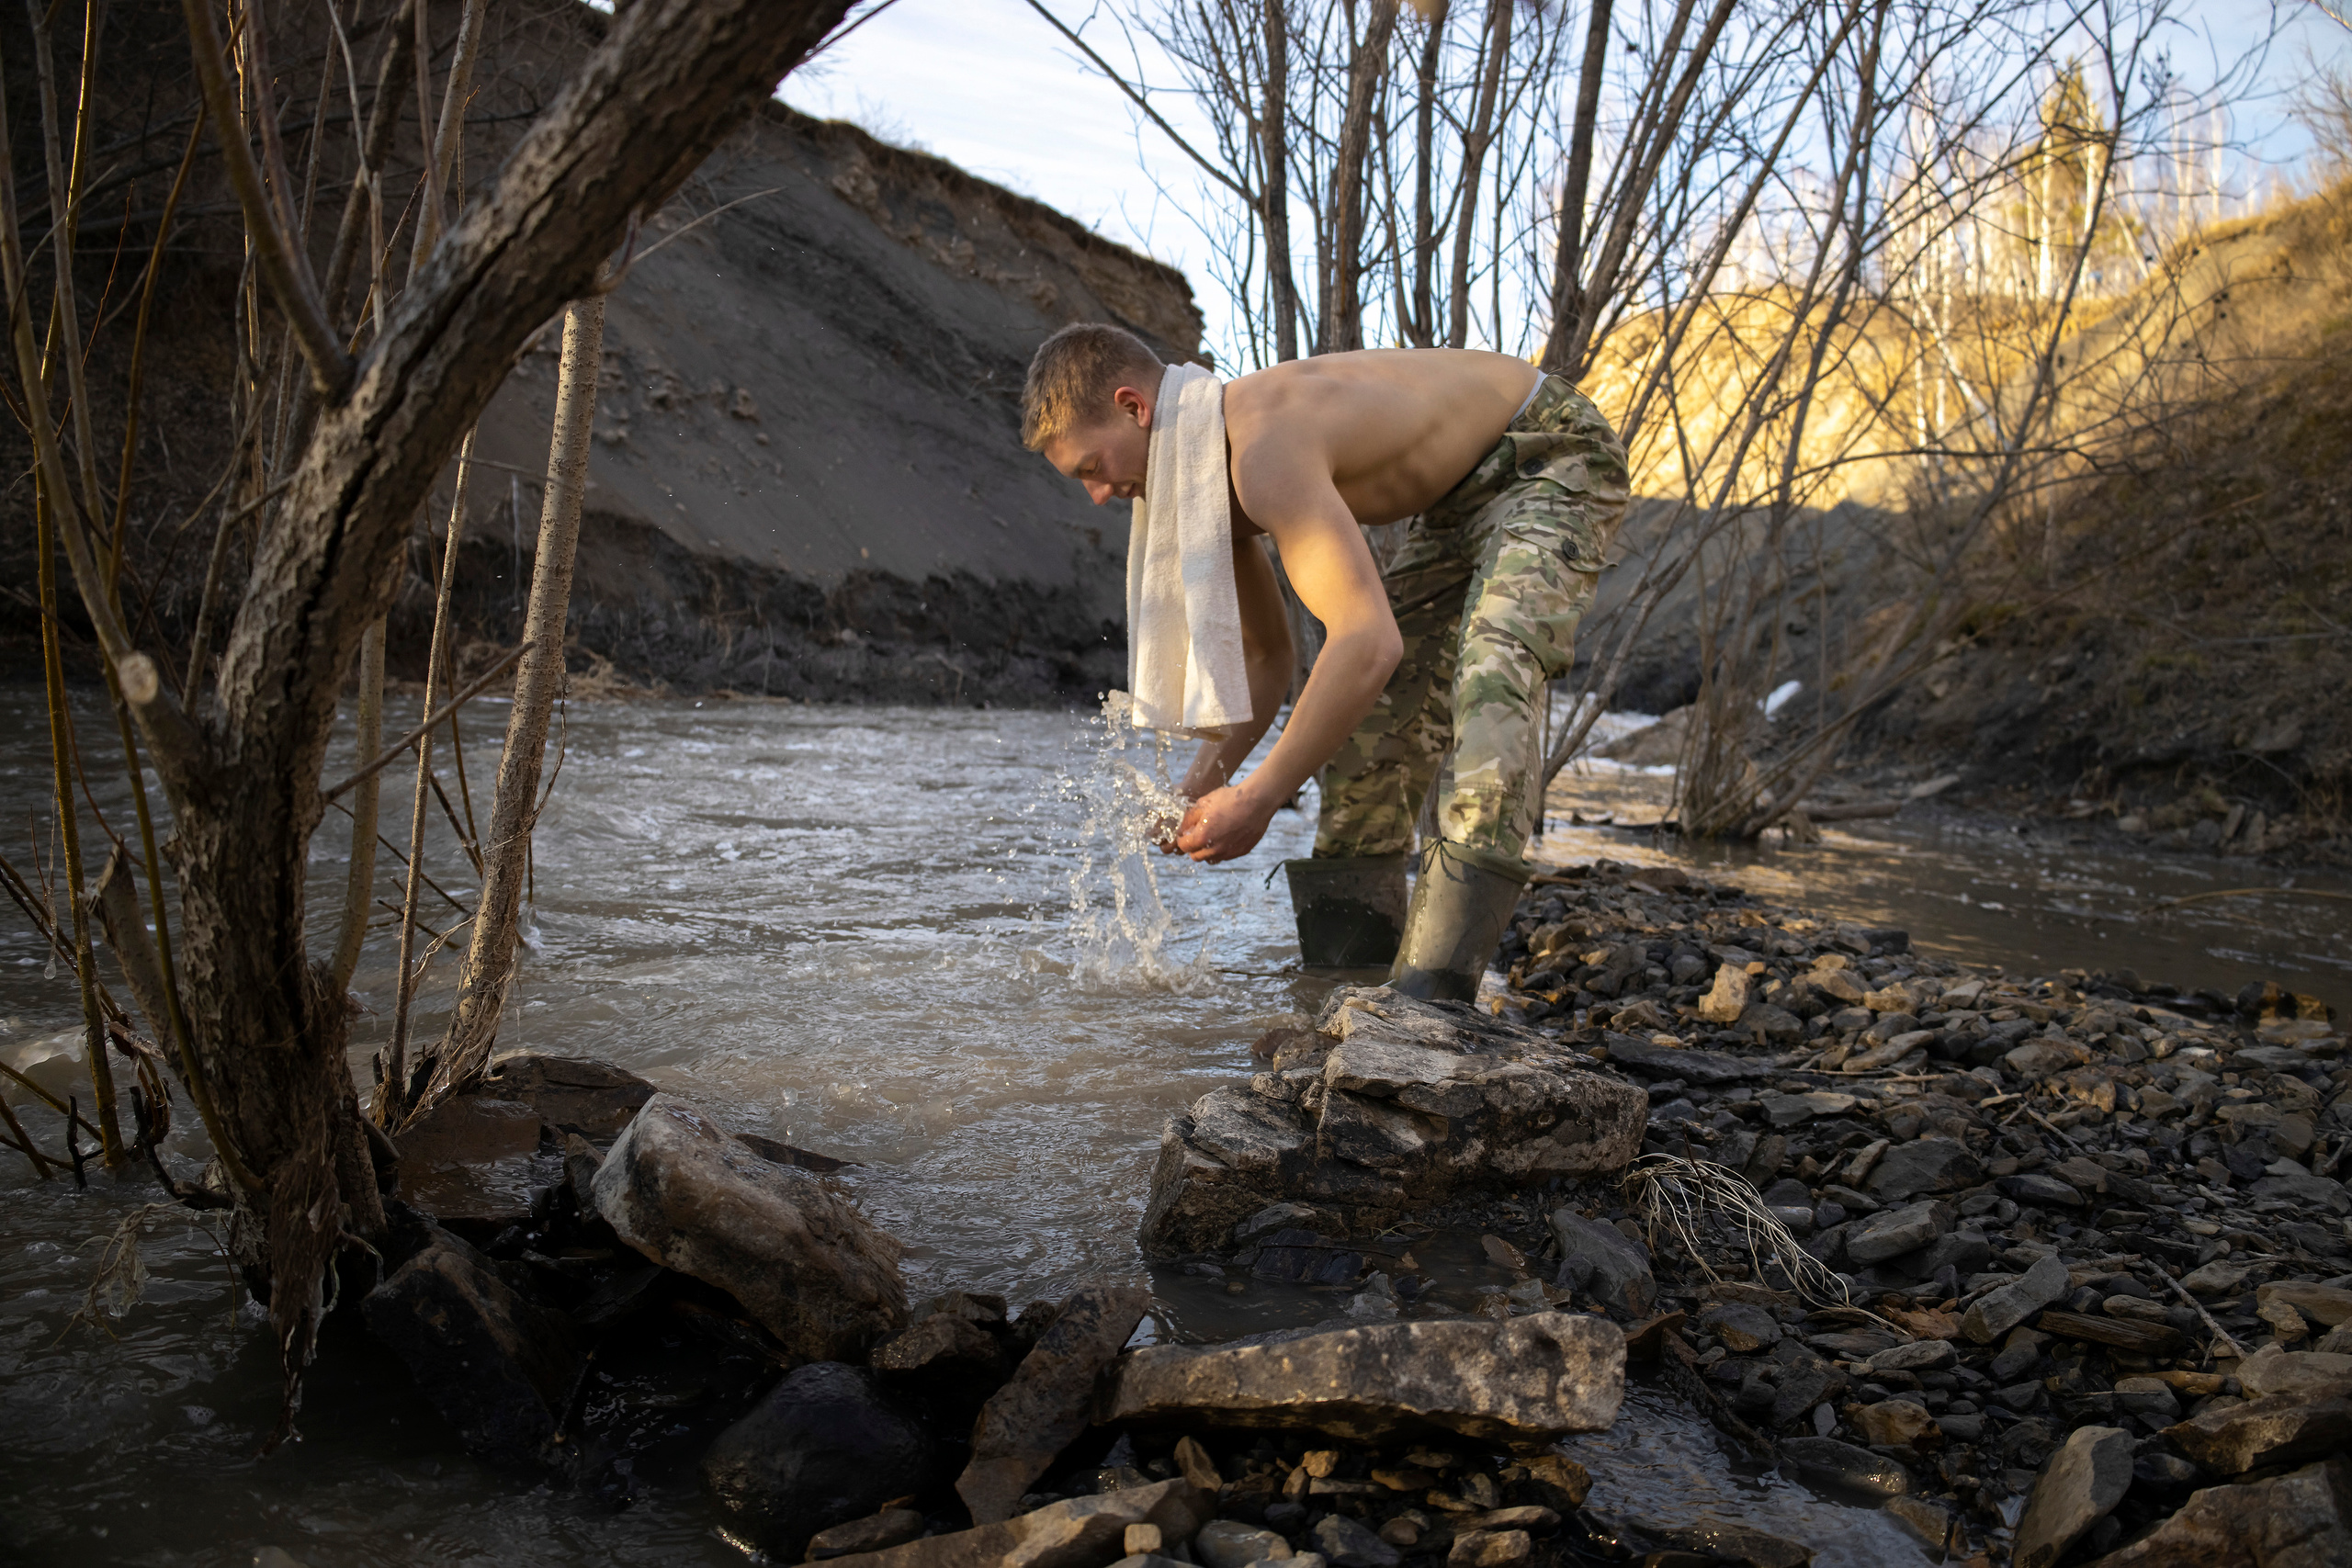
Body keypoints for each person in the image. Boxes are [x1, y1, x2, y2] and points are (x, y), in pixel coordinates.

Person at [1023, 323, 1628, 999]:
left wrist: (1259, 796)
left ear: (1134, 407)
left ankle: (1435, 1001)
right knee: (1371, 732)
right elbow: (1268, 656)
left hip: (1543, 449)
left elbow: (1368, 639)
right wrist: (1198, 789)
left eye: (1091, 468)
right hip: (1457, 502)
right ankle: (1345, 986)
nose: (1098, 496)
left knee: (1493, 677)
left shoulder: (1259, 448)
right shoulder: (1203, 476)